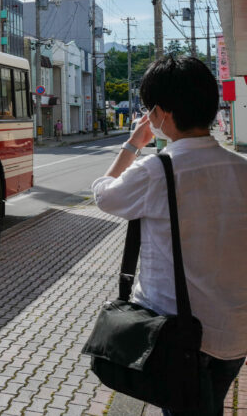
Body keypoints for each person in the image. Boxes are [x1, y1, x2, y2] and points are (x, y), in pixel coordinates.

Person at [91, 56, 247, 416]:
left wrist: (132, 145)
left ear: (160, 114)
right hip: (236, 331)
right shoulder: (241, 168)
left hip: (178, 336)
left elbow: (103, 194)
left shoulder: (157, 170)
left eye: (149, 111)